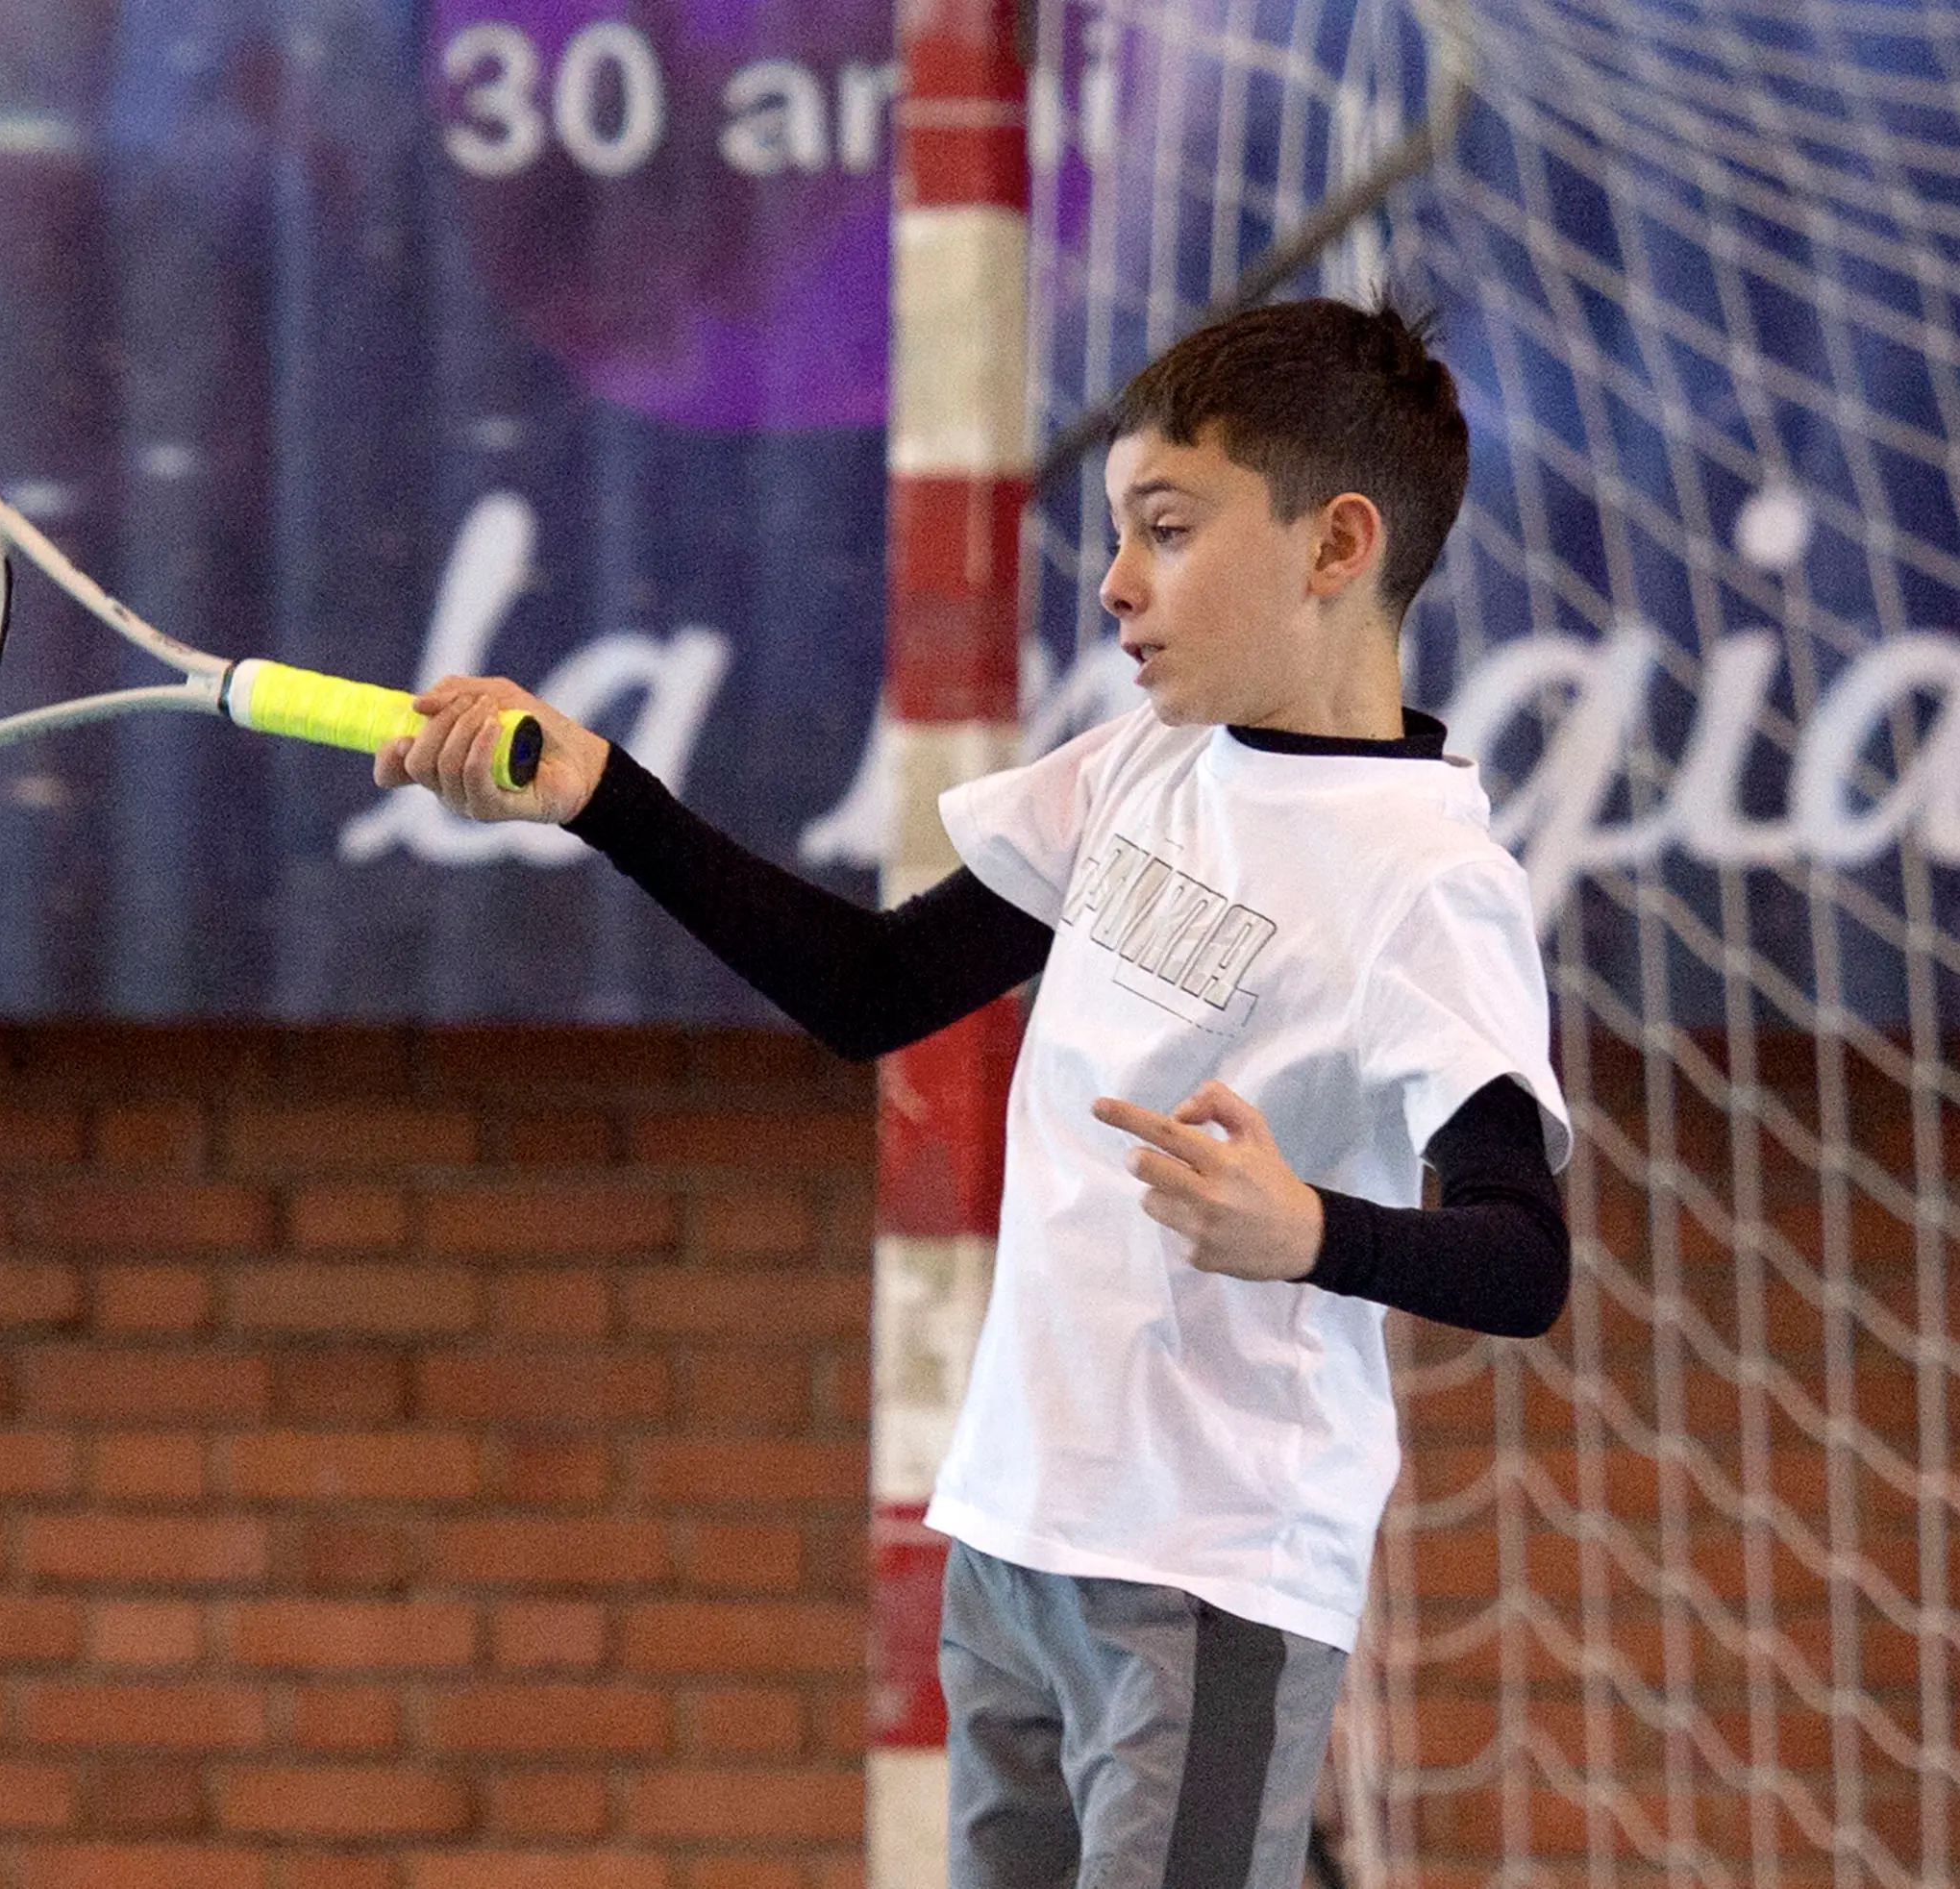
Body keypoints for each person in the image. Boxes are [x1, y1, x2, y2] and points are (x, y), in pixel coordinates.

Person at [377, 296, 1573, 1889]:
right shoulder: (1136, 770)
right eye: (1116, 533)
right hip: (1019, 1539)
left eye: (1168, 529)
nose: (1117, 585)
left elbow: (1522, 1253)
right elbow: (869, 992)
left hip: (1208, 1565)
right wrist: (606, 798)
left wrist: (1309, 1233)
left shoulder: (1427, 880)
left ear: (1335, 546)